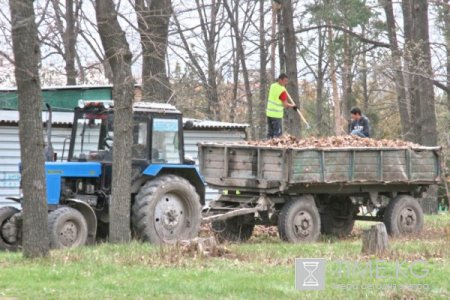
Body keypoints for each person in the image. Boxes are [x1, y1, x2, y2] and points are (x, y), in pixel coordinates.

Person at [266, 73, 297, 139]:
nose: (286, 83)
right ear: (280, 80)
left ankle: (268, 144)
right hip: (276, 115)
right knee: (277, 134)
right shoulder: (282, 91)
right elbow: (285, 104)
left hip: (269, 113)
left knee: (270, 133)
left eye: (287, 81)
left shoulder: (273, 86)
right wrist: (293, 106)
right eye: (285, 81)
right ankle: (275, 147)